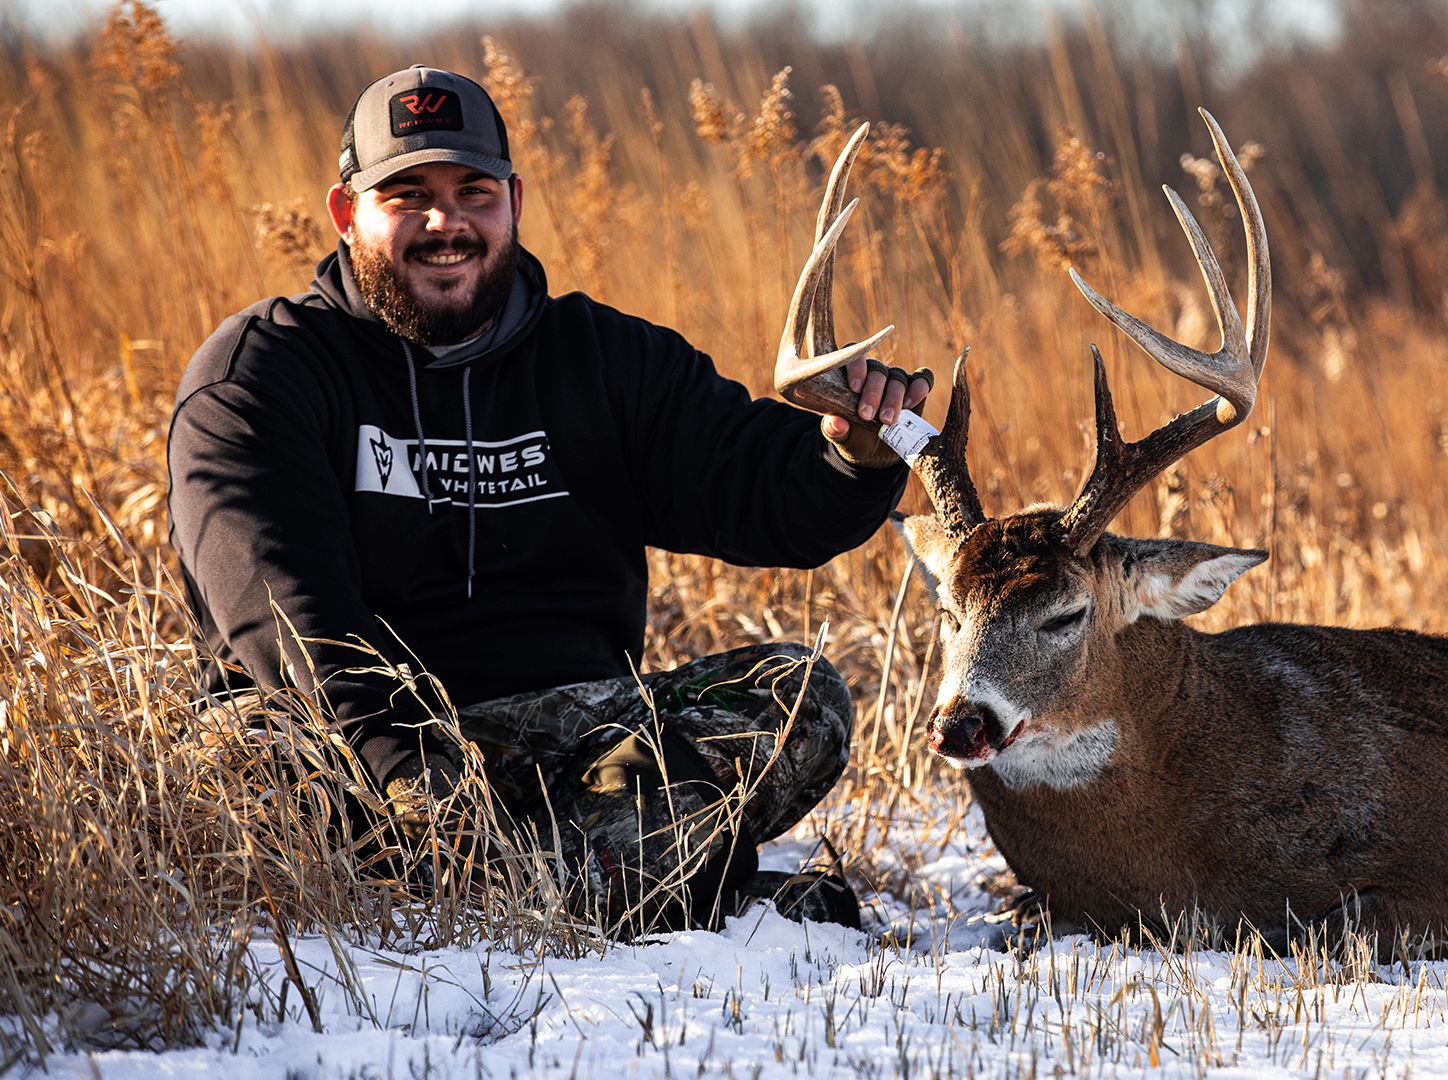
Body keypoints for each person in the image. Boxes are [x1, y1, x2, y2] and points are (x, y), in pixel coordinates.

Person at [167, 65, 930, 935]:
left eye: (472, 192)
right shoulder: (261, 374)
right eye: (405, 194)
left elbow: (765, 491)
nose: (444, 222)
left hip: (566, 740)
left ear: (514, 204)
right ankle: (669, 888)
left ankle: (554, 887)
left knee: (801, 696)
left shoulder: (603, 361)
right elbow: (284, 613)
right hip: (350, 754)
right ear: (347, 214)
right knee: (249, 782)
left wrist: (856, 458)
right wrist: (415, 779)